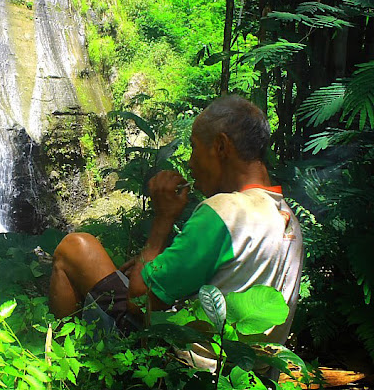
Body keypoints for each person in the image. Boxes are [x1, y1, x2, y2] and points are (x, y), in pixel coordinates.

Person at [49, 95, 304, 352]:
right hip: (246, 371)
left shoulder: (225, 211)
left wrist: (163, 219)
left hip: (185, 369)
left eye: (194, 148)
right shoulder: (288, 220)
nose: (190, 164)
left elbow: (140, 301)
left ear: (221, 147)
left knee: (76, 247)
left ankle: (63, 367)